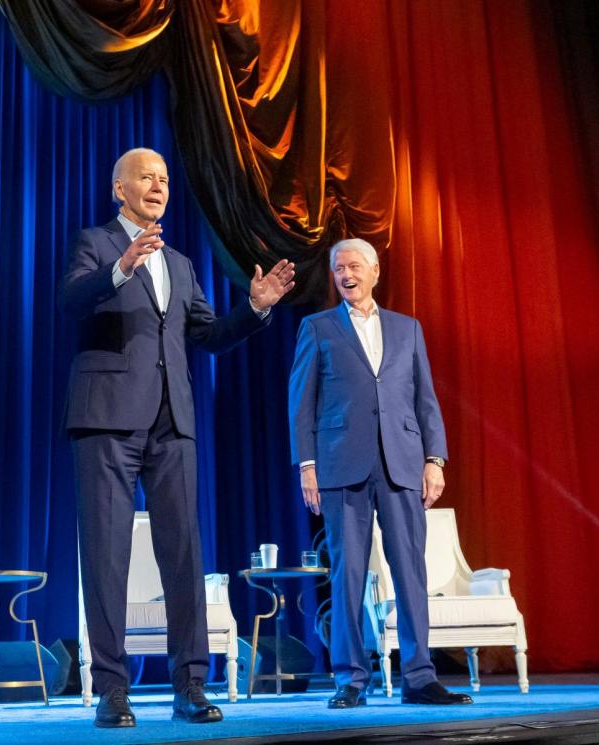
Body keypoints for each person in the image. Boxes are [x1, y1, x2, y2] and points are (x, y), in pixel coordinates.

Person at [62, 147, 295, 728]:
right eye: (147, 177)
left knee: (185, 555)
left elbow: (209, 335)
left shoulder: (184, 264)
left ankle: (190, 683)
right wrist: (121, 270)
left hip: (174, 423)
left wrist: (255, 309)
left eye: (165, 178)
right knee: (107, 557)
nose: (159, 185)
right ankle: (112, 689)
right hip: (108, 418)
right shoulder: (94, 243)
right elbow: (70, 302)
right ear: (120, 188)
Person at [288, 238, 472, 708]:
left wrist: (435, 460)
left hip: (401, 463)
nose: (345, 274)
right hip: (340, 464)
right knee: (348, 573)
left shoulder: (407, 328)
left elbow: (425, 399)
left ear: (373, 272)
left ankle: (419, 676)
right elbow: (300, 402)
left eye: (353, 266)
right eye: (337, 268)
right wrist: (307, 464)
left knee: (410, 571)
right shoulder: (317, 327)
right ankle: (350, 679)